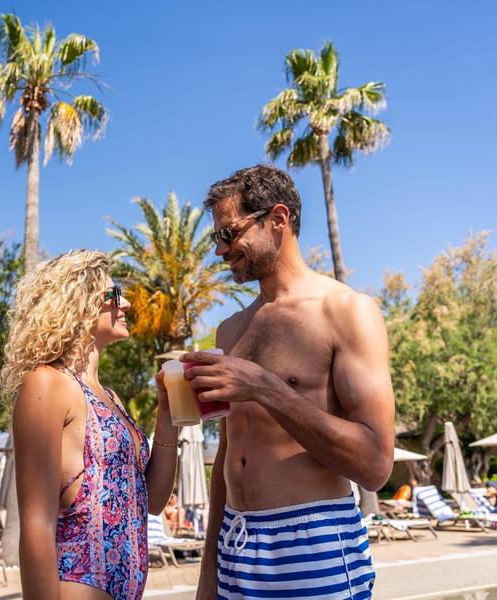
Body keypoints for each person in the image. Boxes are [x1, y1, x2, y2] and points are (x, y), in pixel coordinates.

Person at [182, 165, 395, 599]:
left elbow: (375, 465)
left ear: (277, 219)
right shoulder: (230, 331)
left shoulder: (347, 311)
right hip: (236, 547)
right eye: (215, 239)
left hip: (313, 542)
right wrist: (209, 578)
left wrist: (264, 388)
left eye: (229, 234)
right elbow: (227, 458)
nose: (221, 251)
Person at [2, 250, 179, 599]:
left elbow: (152, 501)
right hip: (77, 587)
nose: (125, 303)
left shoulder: (109, 396)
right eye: (113, 295)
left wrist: (168, 416)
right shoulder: (47, 383)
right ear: (77, 303)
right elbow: (37, 524)